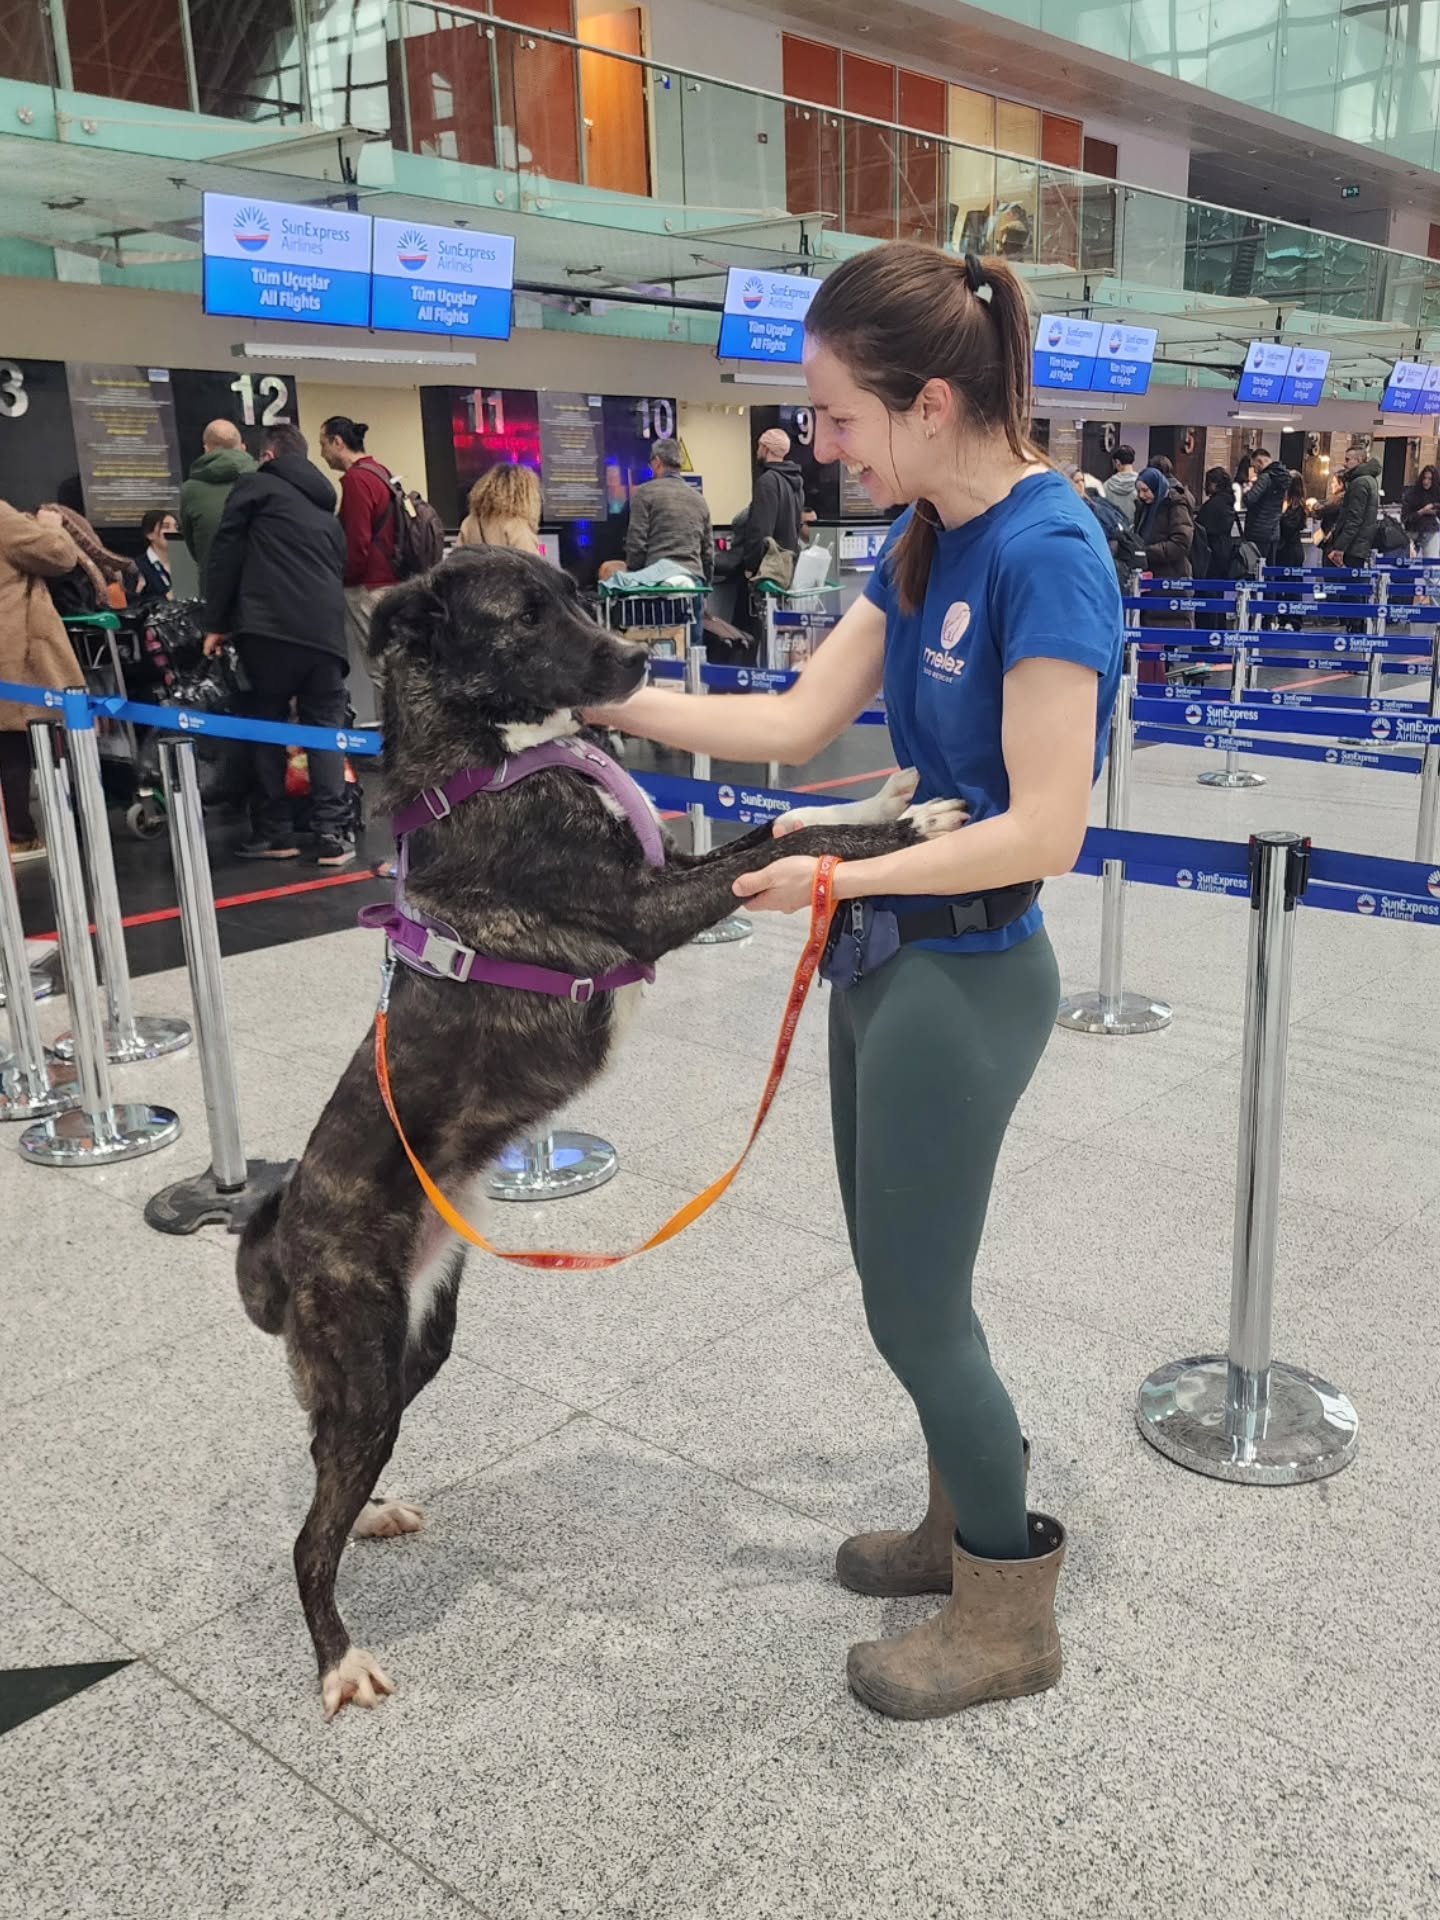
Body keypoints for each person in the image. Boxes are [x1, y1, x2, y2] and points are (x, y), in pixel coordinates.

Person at [590, 241, 1121, 1722]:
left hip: (969, 975)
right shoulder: (930, 541)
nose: (812, 446)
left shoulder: (1047, 554)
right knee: (905, 1285)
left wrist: (839, 876)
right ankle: (957, 1529)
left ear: (930, 400)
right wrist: (591, 689)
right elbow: (794, 719)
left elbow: (1046, 826)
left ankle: (1010, 1607)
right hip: (888, 961)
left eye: (832, 416)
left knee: (914, 1310)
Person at [203, 424, 353, 867]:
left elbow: (225, 553)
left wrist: (216, 622)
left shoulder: (254, 489)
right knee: (323, 729)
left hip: (267, 629)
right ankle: (332, 833)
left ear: (267, 455)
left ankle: (278, 834)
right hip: (325, 634)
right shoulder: (325, 507)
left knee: (265, 727)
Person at [0, 502, 82, 861]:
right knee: (14, 741)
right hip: (10, 644)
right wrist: (52, 526)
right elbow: (59, 556)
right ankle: (20, 835)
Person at [319, 415, 397, 726]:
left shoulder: (356, 481)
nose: (323, 453)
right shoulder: (381, 472)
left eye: (324, 444)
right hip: (391, 580)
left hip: (367, 587)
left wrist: (344, 578)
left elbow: (357, 542)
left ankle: (392, 741)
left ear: (339, 442)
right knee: (394, 666)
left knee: (381, 670)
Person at [179, 419, 257, 595]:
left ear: (206, 449)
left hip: (216, 593)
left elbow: (194, 548)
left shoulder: (190, 490)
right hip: (263, 595)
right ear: (243, 447)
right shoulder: (267, 480)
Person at [625, 437, 714, 581]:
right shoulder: (699, 499)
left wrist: (635, 577)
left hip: (657, 581)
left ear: (657, 462)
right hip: (692, 580)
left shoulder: (644, 493)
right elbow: (708, 551)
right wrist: (706, 583)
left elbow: (637, 544)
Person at [1134, 464, 1193, 680]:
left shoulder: (1175, 505)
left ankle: (1162, 680)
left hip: (1170, 580)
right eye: (1139, 491)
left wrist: (1147, 553)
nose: (1142, 496)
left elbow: (1181, 542)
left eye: (1145, 491)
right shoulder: (1145, 508)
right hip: (1152, 581)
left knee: (1164, 639)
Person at [743, 428, 806, 579]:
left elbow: (761, 528)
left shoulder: (768, 481)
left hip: (768, 566)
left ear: (766, 449)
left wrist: (751, 565)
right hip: (787, 563)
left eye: (759, 447)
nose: (757, 451)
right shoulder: (795, 482)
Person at [458, 462, 542, 553]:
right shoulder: (518, 529)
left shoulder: (469, 523)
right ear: (525, 494)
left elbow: (457, 560)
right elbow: (532, 565)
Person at [1327, 446, 1380, 571]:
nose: (1345, 464)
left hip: (1353, 547)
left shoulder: (1359, 483)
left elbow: (1354, 519)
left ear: (1359, 460)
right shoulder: (1370, 480)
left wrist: (1340, 547)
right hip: (1360, 545)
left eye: (1347, 460)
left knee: (1348, 586)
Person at [1240, 448, 1289, 565]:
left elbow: (1249, 499)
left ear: (1260, 461)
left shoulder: (1265, 477)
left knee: (1257, 569)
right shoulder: (1283, 477)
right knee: (1269, 570)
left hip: (1258, 532)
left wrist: (1248, 486)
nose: (1255, 470)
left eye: (1254, 466)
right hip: (1273, 531)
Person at [1194, 467, 1238, 582]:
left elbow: (1201, 525)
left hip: (1211, 550)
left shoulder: (1213, 505)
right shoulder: (1228, 501)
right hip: (1225, 548)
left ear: (1214, 483)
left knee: (1209, 585)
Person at [130, 508, 178, 603]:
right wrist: (165, 598)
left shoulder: (186, 564)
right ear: (150, 534)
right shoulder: (137, 567)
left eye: (176, 527)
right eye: (166, 527)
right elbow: (134, 606)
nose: (174, 532)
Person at [1401, 464, 1440, 560]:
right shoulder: (1411, 494)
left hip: (1430, 531)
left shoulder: (1437, 494)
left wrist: (1435, 507)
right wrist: (1421, 512)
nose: (1426, 481)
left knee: (1430, 564)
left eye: (1430, 479)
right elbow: (1405, 518)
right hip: (1412, 531)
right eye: (1425, 478)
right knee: (1407, 563)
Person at [1276, 473, 1309, 570]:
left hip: (1290, 551)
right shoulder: (1288, 504)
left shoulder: (1297, 507)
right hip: (1286, 549)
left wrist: (1280, 516)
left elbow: (1288, 528)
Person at [1103, 444, 1138, 526]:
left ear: (1117, 462)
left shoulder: (1107, 485)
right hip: (1136, 533)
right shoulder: (1142, 484)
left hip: (1116, 531)